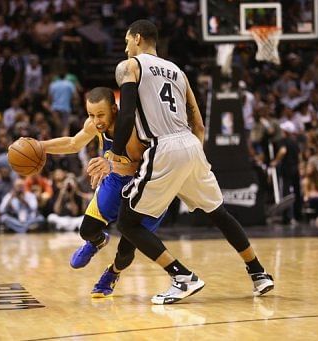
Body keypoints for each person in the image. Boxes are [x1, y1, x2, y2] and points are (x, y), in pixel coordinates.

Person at [103, 20, 273, 304]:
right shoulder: (178, 72)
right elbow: (199, 124)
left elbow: (127, 113)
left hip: (165, 146)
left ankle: (182, 277)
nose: (125, 47)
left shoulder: (131, 66)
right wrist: (194, 154)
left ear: (137, 38)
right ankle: (258, 272)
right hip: (191, 145)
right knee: (219, 213)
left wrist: (115, 151)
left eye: (126, 40)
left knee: (128, 223)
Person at [21, 86, 163, 297]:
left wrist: (110, 165)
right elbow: (72, 143)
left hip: (146, 185)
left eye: (100, 114)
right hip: (116, 181)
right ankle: (98, 240)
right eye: (91, 115)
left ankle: (112, 273)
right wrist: (40, 146)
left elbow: (142, 167)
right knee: (86, 230)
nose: (96, 120)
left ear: (114, 110)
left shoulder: (135, 128)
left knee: (126, 250)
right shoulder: (96, 125)